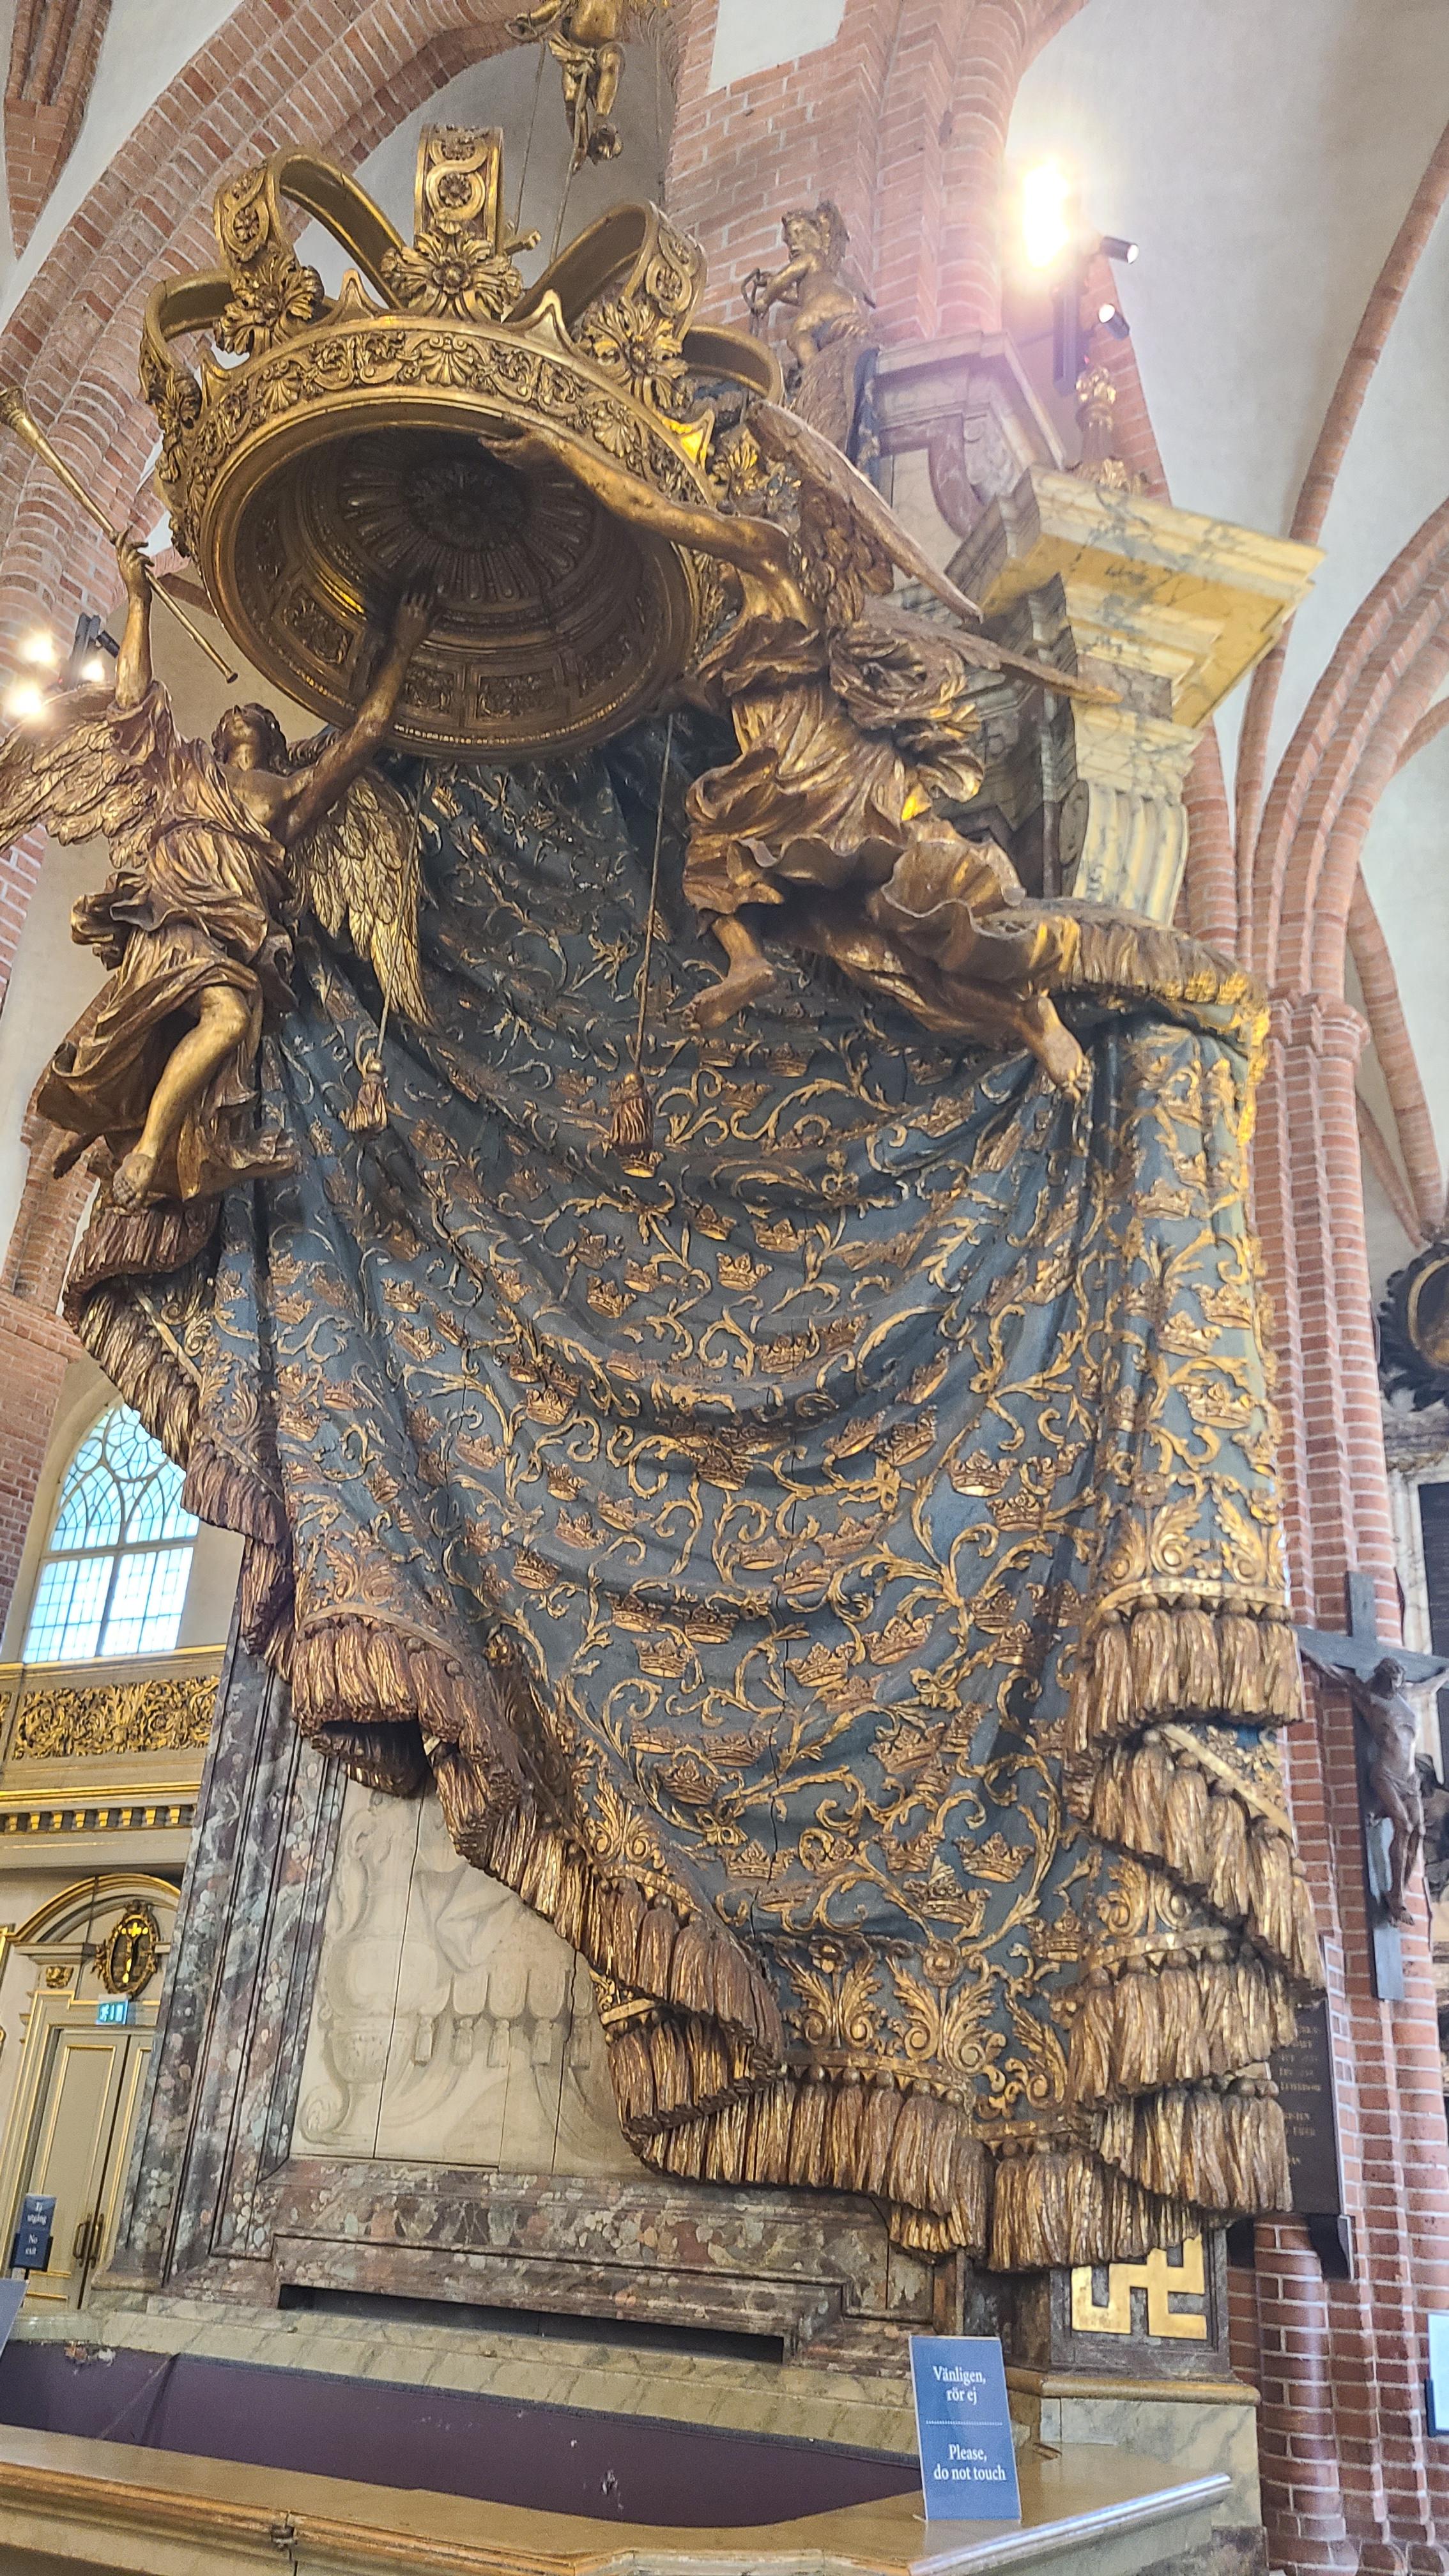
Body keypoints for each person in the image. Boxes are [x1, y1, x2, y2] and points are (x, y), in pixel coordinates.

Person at [0, 534, 434, 1207]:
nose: (241, 713)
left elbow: (366, 735)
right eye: (235, 712)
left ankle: (145, 1150)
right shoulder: (182, 768)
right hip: (170, 912)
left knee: (227, 1021)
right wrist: (139, 600)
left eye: (257, 715)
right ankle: (117, 1129)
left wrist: (403, 646)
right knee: (151, 1029)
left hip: (231, 931)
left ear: (274, 741)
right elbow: (132, 700)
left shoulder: (288, 797)